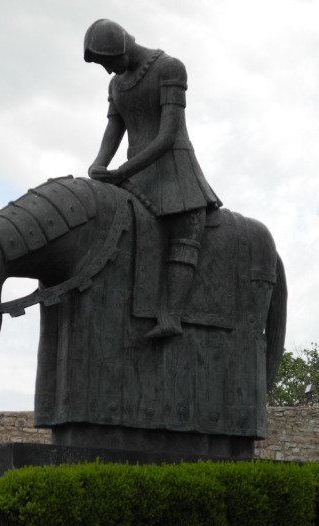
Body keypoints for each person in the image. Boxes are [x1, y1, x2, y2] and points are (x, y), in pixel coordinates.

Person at [84, 18, 221, 338]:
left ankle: (171, 316)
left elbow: (169, 134)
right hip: (135, 174)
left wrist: (123, 171)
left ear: (121, 48)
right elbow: (114, 128)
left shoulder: (170, 68)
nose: (108, 70)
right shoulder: (117, 83)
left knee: (184, 235)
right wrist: (99, 163)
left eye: (108, 62)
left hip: (175, 172)